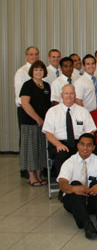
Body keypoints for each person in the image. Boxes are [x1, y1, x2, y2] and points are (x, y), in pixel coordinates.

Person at [57, 133, 97, 239]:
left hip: (92, 201)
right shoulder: (69, 162)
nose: (85, 148)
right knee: (75, 184)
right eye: (82, 144)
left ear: (93, 147)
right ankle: (87, 224)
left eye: (88, 145)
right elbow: (62, 184)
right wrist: (74, 188)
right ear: (78, 145)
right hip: (74, 202)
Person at [43, 84, 97, 174]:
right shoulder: (52, 111)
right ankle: (64, 183)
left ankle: (82, 181)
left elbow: (90, 131)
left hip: (79, 142)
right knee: (62, 153)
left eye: (71, 93)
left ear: (75, 95)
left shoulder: (83, 111)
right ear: (62, 95)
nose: (69, 96)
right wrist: (58, 144)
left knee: (87, 151)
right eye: (66, 93)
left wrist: (85, 145)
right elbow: (48, 133)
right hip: (59, 143)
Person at [19, 60, 51, 186]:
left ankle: (38, 174)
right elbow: (25, 104)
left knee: (40, 148)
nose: (39, 72)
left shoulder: (47, 85)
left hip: (44, 123)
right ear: (32, 71)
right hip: (30, 123)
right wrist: (37, 118)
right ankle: (32, 176)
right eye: (36, 70)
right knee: (31, 149)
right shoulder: (27, 85)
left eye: (41, 70)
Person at [15, 47, 40, 178]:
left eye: (36, 54)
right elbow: (22, 98)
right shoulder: (21, 72)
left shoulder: (40, 70)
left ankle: (37, 169)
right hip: (26, 111)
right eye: (31, 54)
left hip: (38, 111)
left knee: (37, 142)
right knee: (27, 142)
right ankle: (26, 170)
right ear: (26, 56)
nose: (34, 57)